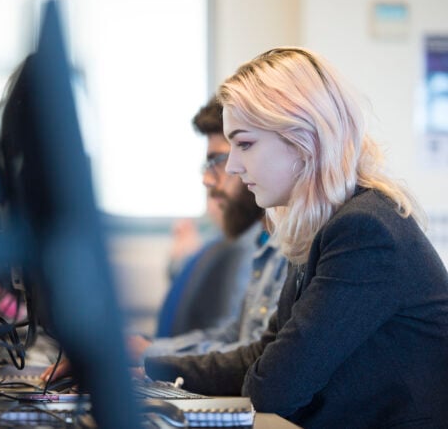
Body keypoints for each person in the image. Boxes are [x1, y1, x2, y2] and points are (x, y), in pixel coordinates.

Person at [143, 47, 448, 428]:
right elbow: (262, 356)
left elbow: (274, 389)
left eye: (245, 144)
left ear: (302, 138)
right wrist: (149, 365)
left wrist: (263, 371)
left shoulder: (366, 231)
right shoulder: (322, 224)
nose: (234, 167)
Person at [41, 97, 287, 381]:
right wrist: (144, 351)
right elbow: (233, 336)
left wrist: (150, 360)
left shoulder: (279, 247)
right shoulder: (262, 242)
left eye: (217, 160)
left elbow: (250, 356)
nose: (210, 179)